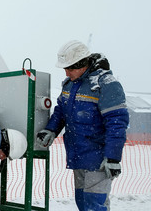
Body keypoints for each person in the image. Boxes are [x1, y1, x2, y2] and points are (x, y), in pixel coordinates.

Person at [36, 40, 129, 211]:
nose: (66, 72)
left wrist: (113, 157)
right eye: (65, 68)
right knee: (82, 203)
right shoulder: (70, 84)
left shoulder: (105, 84)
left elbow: (117, 122)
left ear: (83, 64)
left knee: (94, 205)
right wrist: (51, 129)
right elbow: (61, 111)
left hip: (98, 158)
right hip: (77, 155)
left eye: (70, 68)